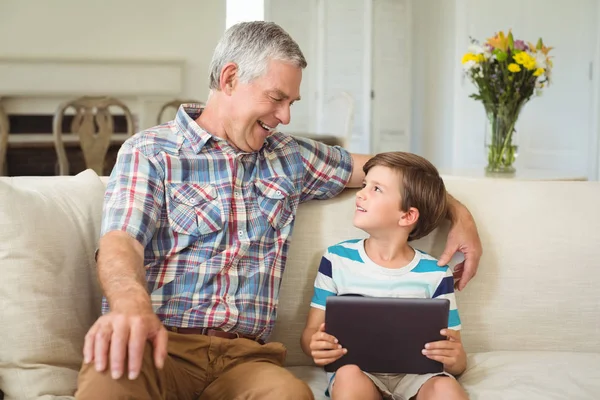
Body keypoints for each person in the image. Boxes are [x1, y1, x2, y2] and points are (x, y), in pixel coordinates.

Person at [76, 21, 481, 399]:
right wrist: (132, 306)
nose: (286, 116)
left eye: (292, 102)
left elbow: (395, 177)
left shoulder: (289, 157)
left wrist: (457, 213)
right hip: (158, 344)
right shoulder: (151, 152)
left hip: (245, 360)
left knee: (291, 396)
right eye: (276, 98)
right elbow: (121, 241)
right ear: (230, 79)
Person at [300, 152, 469, 400]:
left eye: (376, 189)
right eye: (365, 183)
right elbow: (311, 333)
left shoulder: (437, 273)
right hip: (358, 372)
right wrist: (314, 345)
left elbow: (456, 354)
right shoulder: (337, 259)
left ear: (407, 216)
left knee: (447, 390)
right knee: (347, 378)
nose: (361, 193)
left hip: (420, 376)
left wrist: (455, 360)